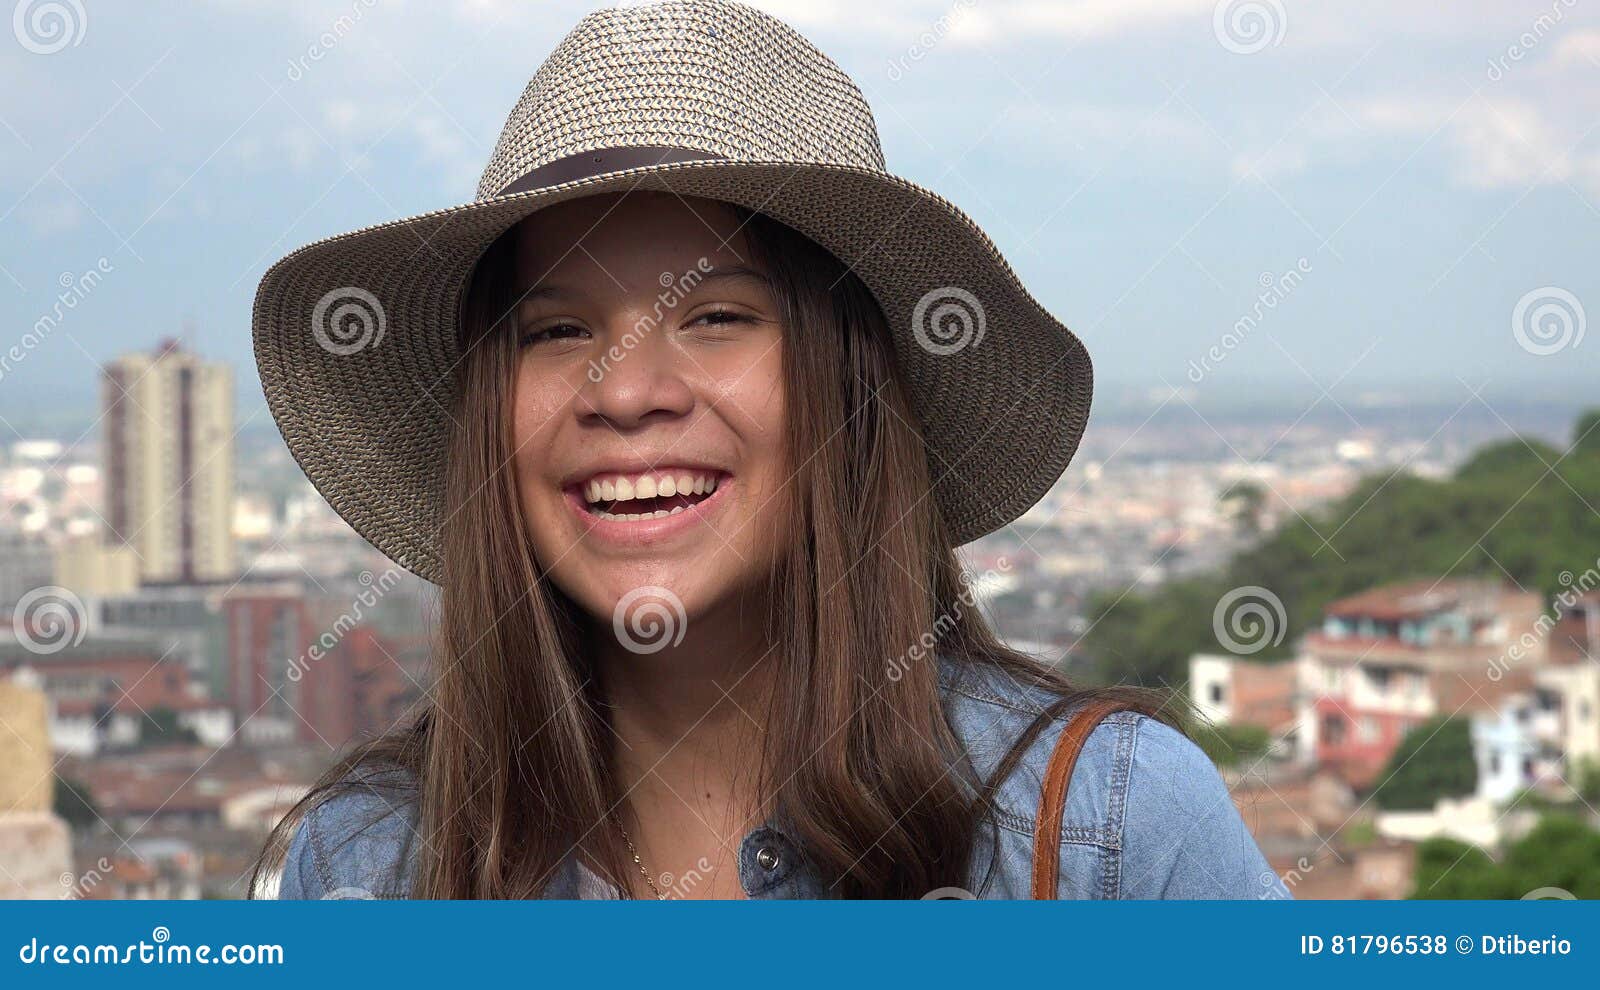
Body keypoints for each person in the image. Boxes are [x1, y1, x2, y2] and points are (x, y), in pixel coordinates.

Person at [250, 0, 1284, 900]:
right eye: (556, 331)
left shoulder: (1103, 833)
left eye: (717, 316)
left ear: (851, 390)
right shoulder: (374, 861)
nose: (627, 393)